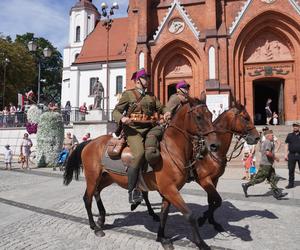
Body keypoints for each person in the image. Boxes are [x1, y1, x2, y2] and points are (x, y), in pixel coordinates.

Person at [112, 68, 171, 205]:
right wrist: (122, 118)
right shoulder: (128, 95)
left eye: (148, 77)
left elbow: (161, 108)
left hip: (150, 128)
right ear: (138, 80)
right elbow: (116, 111)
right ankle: (132, 190)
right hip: (133, 130)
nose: (148, 80)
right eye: (145, 77)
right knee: (138, 154)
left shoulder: (151, 96)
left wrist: (167, 112)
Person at [242, 130, 288, 200]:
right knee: (260, 179)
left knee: (272, 178)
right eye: (272, 135)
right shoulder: (268, 142)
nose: (273, 136)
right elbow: (267, 153)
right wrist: (275, 158)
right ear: (268, 136)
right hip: (265, 164)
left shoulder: (267, 142)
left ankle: (277, 193)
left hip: (268, 164)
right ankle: (246, 185)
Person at [284, 122, 300, 189]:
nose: (295, 127)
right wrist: (285, 154)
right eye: (294, 126)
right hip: (291, 155)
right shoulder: (289, 135)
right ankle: (291, 184)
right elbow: (286, 144)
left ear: (299, 127)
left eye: (296, 126)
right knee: (291, 170)